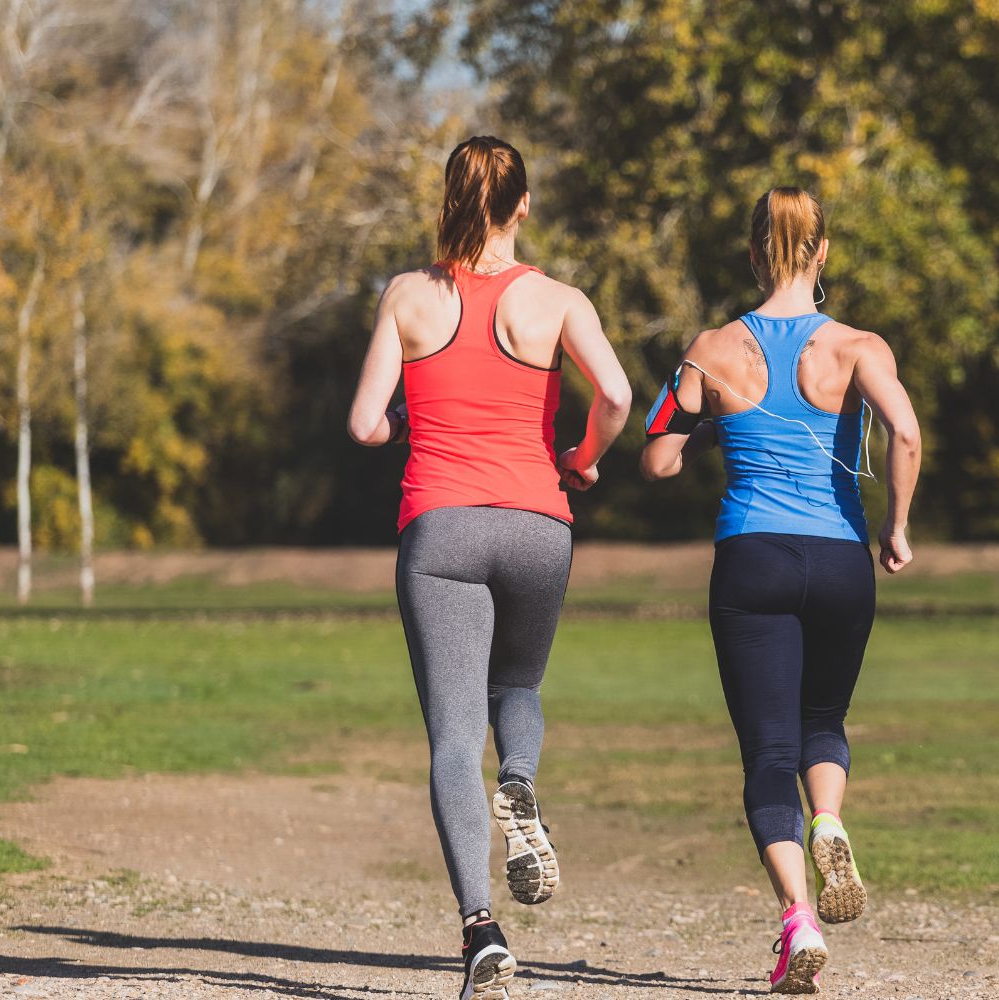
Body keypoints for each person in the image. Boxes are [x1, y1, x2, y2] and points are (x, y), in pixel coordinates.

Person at [347, 136, 631, 1000]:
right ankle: (521, 785)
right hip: (538, 522)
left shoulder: (408, 296)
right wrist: (580, 457)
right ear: (524, 204)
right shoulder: (556, 300)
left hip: (441, 530)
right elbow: (617, 396)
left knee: (449, 736)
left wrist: (407, 421)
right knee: (519, 690)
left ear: (449, 201)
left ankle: (480, 934)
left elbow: (364, 424)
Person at [640, 186, 922, 994]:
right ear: (822, 251)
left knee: (766, 753)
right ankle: (830, 820)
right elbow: (904, 430)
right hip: (839, 561)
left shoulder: (711, 348)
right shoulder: (861, 346)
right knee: (823, 722)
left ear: (755, 251)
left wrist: (702, 422)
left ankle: (798, 919)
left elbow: (658, 458)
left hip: (752, 558)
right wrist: (896, 527)